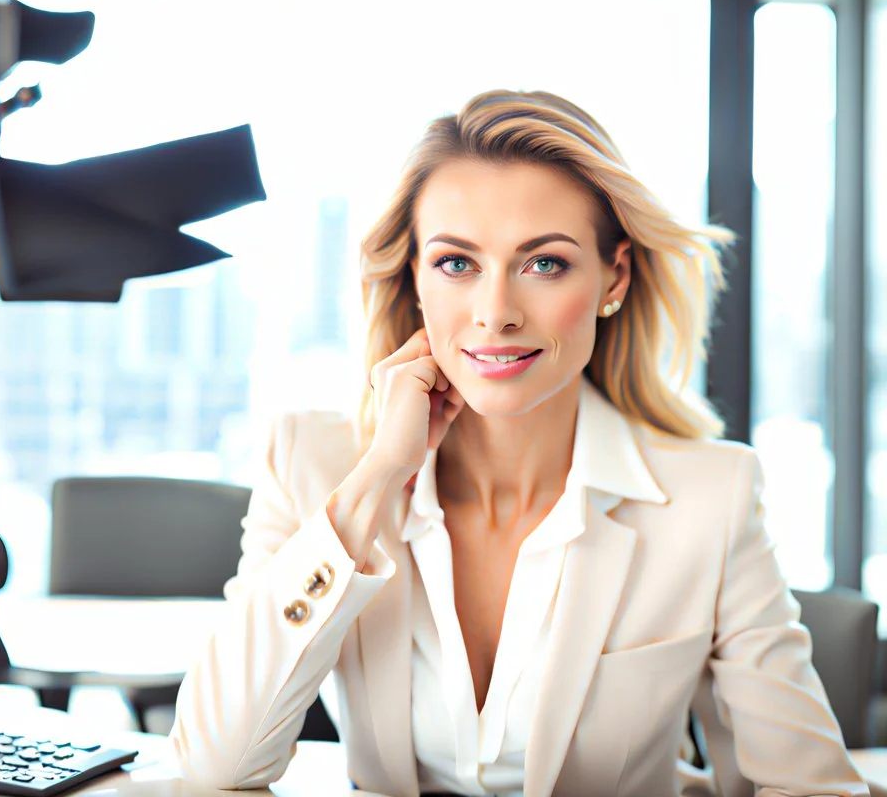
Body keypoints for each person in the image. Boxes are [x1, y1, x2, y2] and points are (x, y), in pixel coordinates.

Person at [168, 89, 867, 797]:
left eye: (544, 264)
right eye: (456, 263)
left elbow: (807, 787)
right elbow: (214, 766)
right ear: (414, 276)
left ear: (612, 278)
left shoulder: (710, 497)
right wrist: (379, 475)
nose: (496, 313)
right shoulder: (314, 463)